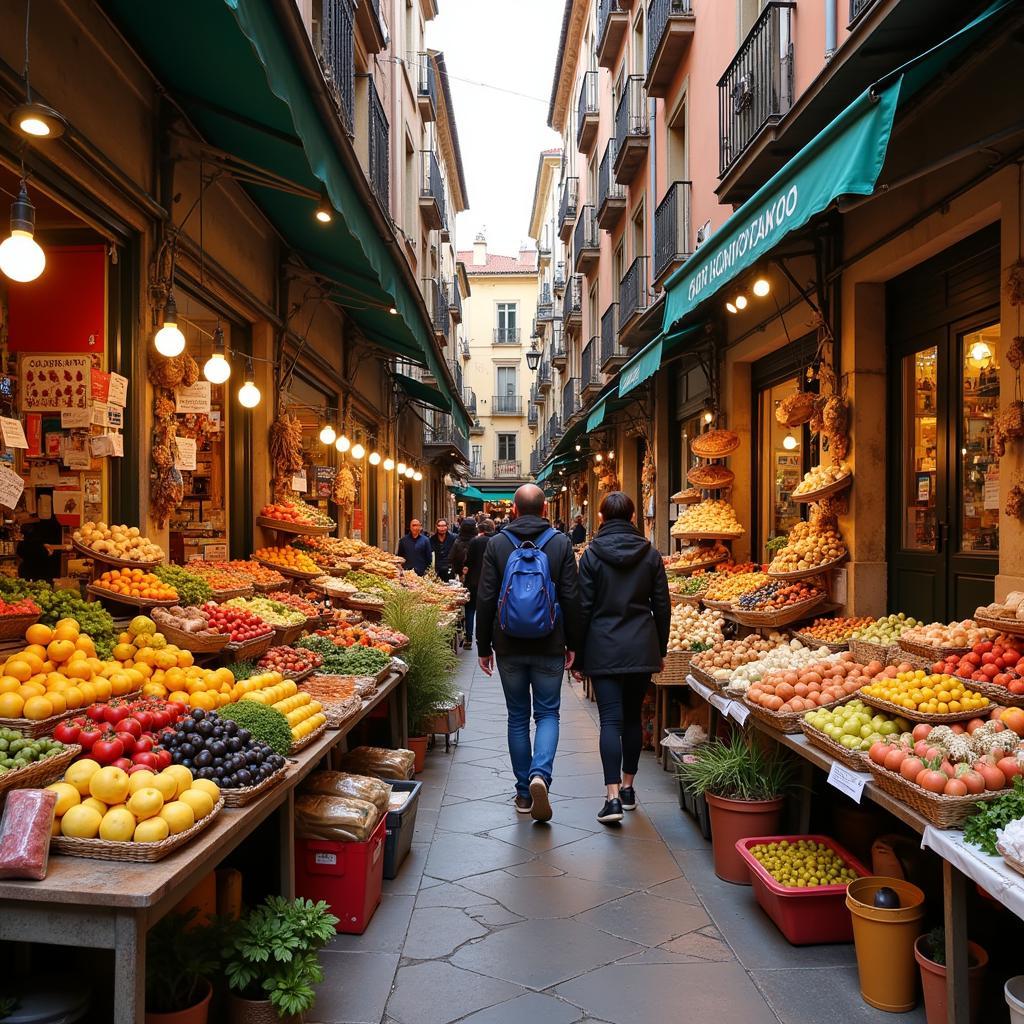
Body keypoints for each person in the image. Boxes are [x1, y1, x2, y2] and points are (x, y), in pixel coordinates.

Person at [476, 484, 581, 821]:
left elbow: (486, 597)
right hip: (550, 643)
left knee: (518, 717)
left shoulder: (497, 543)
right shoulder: (561, 543)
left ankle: (523, 794)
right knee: (548, 714)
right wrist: (574, 644)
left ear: (515, 510)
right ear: (546, 509)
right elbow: (571, 598)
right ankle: (541, 775)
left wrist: (482, 646)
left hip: (508, 645)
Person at [573, 491, 670, 824]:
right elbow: (662, 606)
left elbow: (582, 608)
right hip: (641, 645)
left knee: (610, 721)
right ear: (633, 518)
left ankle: (611, 797)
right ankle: (628, 788)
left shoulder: (591, 555)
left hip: (604, 646)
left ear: (600, 518)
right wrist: (660, 648)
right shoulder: (651, 555)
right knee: (632, 718)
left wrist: (578, 655)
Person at [449, 519, 478, 646]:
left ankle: (468, 637)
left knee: (468, 609)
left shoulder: (457, 542)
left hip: (463, 580)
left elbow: (452, 559)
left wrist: (459, 573)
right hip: (477, 579)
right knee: (478, 609)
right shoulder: (476, 542)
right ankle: (480, 638)